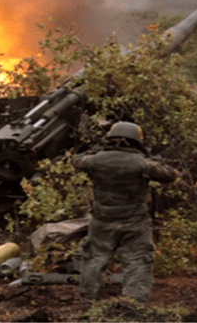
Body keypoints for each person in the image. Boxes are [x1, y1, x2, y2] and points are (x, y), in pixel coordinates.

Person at [71, 121, 178, 303]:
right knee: (137, 262)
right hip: (134, 222)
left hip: (102, 220)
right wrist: (151, 158)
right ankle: (133, 305)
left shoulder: (94, 160)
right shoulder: (143, 163)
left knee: (94, 260)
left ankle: (88, 303)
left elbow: (75, 160)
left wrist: (97, 149)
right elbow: (170, 175)